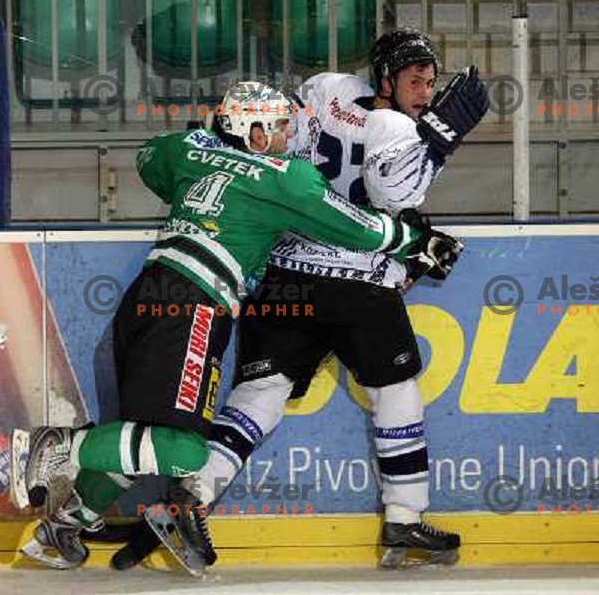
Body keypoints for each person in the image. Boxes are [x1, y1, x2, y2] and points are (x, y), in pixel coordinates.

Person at [9, 81, 433, 575]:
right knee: (185, 449)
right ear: (251, 132)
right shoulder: (283, 179)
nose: (285, 135)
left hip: (148, 298)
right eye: (275, 127)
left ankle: (64, 527)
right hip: (194, 307)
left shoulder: (190, 152)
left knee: (141, 438)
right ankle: (58, 447)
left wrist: (213, 147)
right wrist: (413, 239)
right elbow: (361, 229)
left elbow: (152, 157)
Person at [131, 29, 487, 570]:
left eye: (430, 83)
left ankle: (192, 497)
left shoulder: (325, 89)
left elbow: (273, 143)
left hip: (287, 274)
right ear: (386, 77)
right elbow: (396, 196)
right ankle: (404, 519)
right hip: (358, 283)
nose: (424, 91)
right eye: (415, 80)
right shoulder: (397, 126)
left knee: (260, 393)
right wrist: (438, 137)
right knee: (396, 393)